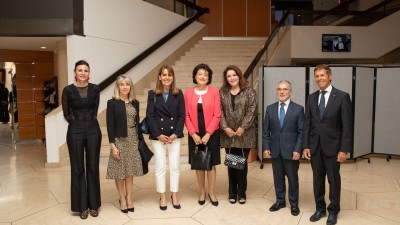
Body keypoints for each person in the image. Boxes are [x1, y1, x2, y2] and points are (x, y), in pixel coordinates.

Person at [303, 64, 353, 225]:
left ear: (330, 76)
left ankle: (333, 210)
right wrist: (306, 146)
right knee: (317, 179)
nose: (319, 79)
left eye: (322, 75)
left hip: (333, 147)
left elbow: (347, 125)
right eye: (317, 76)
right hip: (315, 147)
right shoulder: (311, 97)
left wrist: (344, 149)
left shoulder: (342, 96)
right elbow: (307, 124)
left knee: (333, 180)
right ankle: (319, 209)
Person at [61, 60, 102, 219]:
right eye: (80, 70)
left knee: (92, 166)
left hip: (93, 129)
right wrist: (77, 124)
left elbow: (95, 109)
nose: (83, 73)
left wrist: (88, 123)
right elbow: (66, 113)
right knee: (77, 168)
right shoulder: (68, 90)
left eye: (86, 70)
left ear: (89, 73)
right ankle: (81, 206)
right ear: (75, 73)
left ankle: (93, 204)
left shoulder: (95, 89)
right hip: (75, 130)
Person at [146, 65, 185, 210]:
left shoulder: (179, 93)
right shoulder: (152, 94)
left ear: (173, 77)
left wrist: (175, 133)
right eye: (164, 75)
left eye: (169, 75)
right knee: (160, 167)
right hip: (158, 136)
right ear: (160, 77)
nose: (167, 77)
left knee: (175, 166)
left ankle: (174, 194)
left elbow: (182, 115)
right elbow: (149, 116)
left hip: (175, 136)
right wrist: (158, 134)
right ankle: (162, 195)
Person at [262, 80, 304, 216]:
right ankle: (280, 201)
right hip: (275, 151)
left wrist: (298, 149)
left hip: (292, 152)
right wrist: (266, 147)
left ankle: (294, 204)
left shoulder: (298, 109)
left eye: (285, 89)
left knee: (292, 179)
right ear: (276, 91)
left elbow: (301, 132)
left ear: (290, 91)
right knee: (278, 178)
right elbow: (265, 131)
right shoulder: (270, 108)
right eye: (279, 89)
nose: (282, 92)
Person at [106, 75, 144, 214]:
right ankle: (122, 198)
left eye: (127, 84)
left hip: (133, 139)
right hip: (119, 140)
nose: (125, 87)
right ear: (118, 87)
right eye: (122, 84)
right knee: (119, 171)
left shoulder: (135, 103)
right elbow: (110, 125)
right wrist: (113, 145)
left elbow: (136, 122)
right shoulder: (112, 103)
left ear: (130, 86)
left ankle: (129, 198)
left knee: (130, 170)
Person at [185, 63, 221, 207]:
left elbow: (217, 115)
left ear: (209, 77)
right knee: (199, 163)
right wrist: (193, 133)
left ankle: (211, 192)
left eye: (205, 74)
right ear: (195, 76)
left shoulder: (214, 92)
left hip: (211, 133)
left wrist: (208, 134)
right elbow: (186, 115)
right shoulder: (187, 93)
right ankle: (201, 192)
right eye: (200, 74)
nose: (202, 76)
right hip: (194, 133)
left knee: (210, 163)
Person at [219, 65, 256, 205]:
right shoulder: (222, 92)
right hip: (228, 134)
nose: (232, 78)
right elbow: (220, 111)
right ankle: (232, 192)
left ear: (239, 76)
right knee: (232, 164)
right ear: (226, 78)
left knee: (241, 164)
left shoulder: (249, 92)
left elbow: (252, 111)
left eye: (234, 75)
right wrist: (225, 127)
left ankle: (242, 192)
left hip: (244, 135)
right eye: (229, 76)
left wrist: (242, 127)